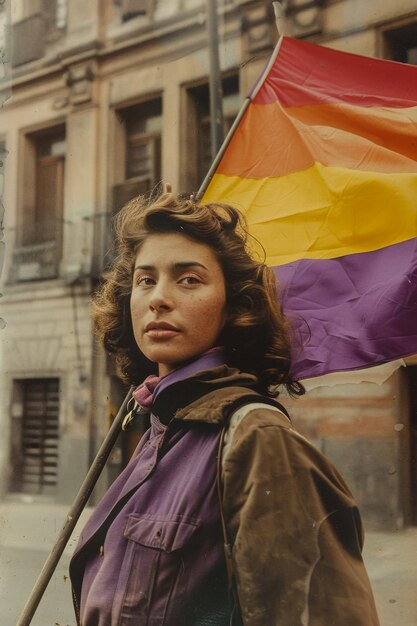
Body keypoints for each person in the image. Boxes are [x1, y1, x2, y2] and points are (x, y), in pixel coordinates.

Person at [70, 192, 380, 626]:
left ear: (234, 305)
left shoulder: (257, 440)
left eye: (189, 279)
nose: (158, 298)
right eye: (145, 280)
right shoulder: (161, 427)